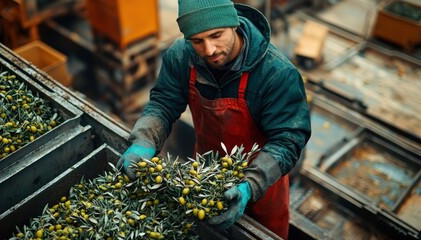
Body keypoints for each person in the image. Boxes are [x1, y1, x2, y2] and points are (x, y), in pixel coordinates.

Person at [117, 0, 311, 239]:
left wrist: (250, 185)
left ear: (234, 24)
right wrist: (144, 139)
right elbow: (164, 102)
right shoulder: (181, 57)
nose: (209, 50)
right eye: (197, 41)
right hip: (206, 177)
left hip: (263, 186)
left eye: (216, 35)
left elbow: (288, 139)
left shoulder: (276, 74)